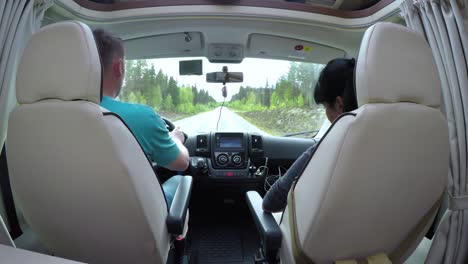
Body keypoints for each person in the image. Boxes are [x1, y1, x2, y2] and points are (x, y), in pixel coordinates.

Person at [92, 29, 189, 208]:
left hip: (69, 221)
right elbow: (181, 163)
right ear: (119, 67)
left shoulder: (47, 118)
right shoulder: (142, 117)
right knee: (181, 179)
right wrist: (176, 140)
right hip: (131, 221)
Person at [262, 58, 358, 212]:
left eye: (326, 106)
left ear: (339, 104)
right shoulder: (399, 141)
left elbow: (270, 203)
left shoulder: (325, 149)